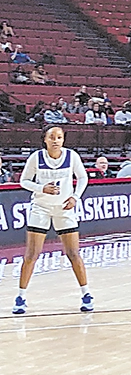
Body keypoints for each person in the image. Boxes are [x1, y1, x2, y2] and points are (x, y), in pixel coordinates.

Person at [12, 126, 92, 315]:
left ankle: (86, 294)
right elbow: (24, 181)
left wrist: (75, 197)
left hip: (64, 209)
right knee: (31, 254)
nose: (56, 140)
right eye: (52, 137)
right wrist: (41, 188)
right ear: (45, 140)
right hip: (41, 208)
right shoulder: (36, 157)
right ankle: (21, 297)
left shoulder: (71, 156)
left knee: (73, 253)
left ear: (63, 140)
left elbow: (82, 178)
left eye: (59, 137)